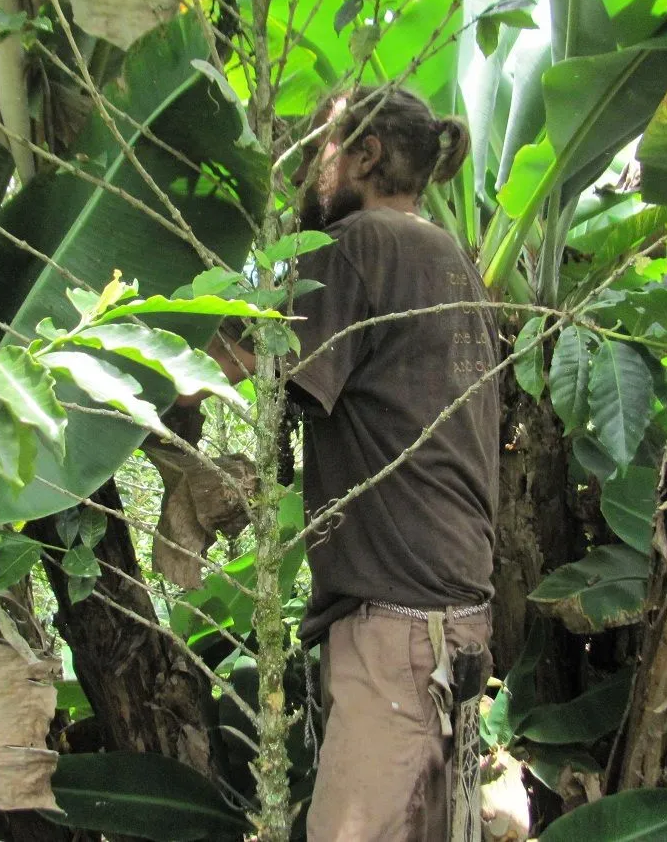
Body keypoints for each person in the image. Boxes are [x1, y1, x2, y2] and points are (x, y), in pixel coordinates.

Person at [202, 85, 499, 841]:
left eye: (316, 155)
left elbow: (236, 361)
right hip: (452, 620)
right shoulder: (449, 259)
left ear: (365, 155)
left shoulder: (358, 244)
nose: (305, 179)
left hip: (397, 632)